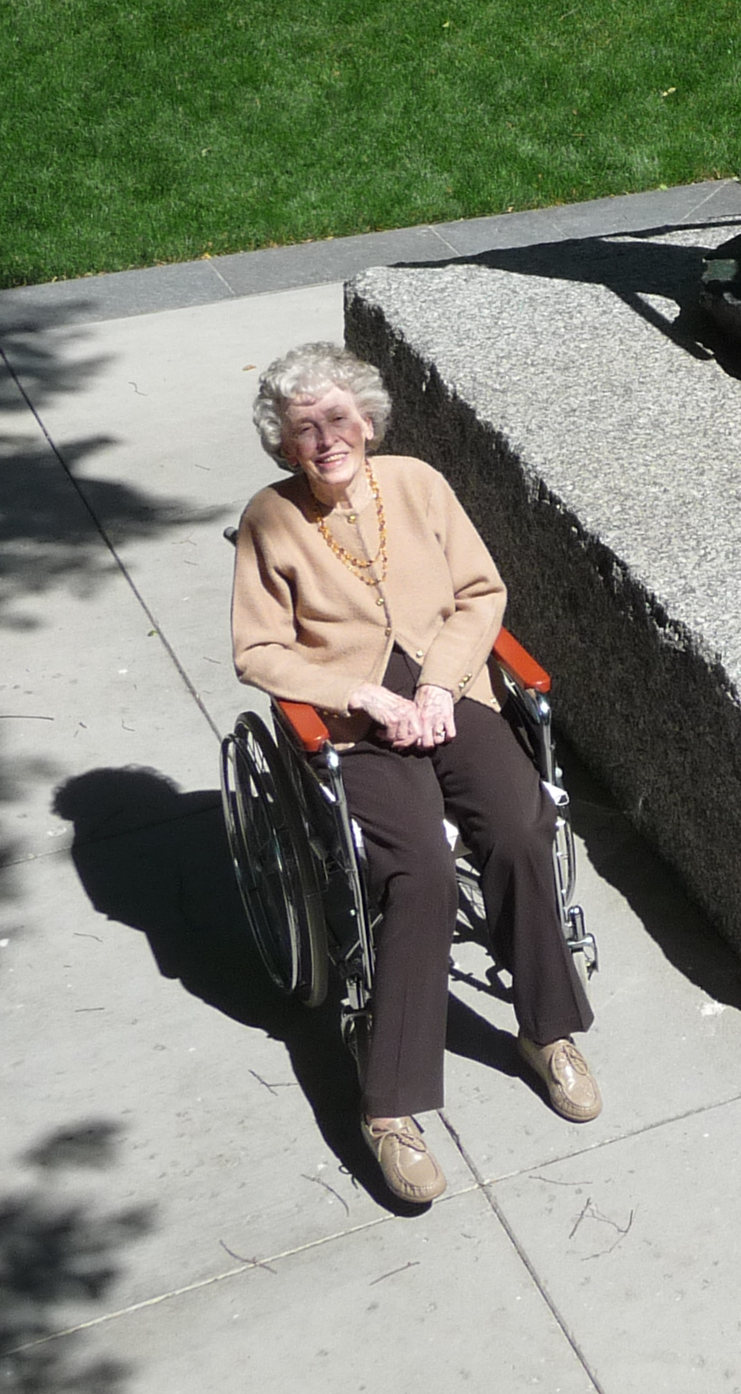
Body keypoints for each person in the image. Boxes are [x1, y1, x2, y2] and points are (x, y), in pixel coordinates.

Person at [230, 343, 597, 1207]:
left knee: (520, 825)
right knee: (419, 869)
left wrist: (438, 684)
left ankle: (547, 1031)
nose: (326, 438)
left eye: (339, 418)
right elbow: (258, 650)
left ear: (368, 419)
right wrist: (359, 694)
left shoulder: (419, 484)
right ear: (284, 443)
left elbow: (480, 593)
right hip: (356, 722)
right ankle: (388, 1106)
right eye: (304, 427)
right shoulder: (270, 518)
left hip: (450, 691)